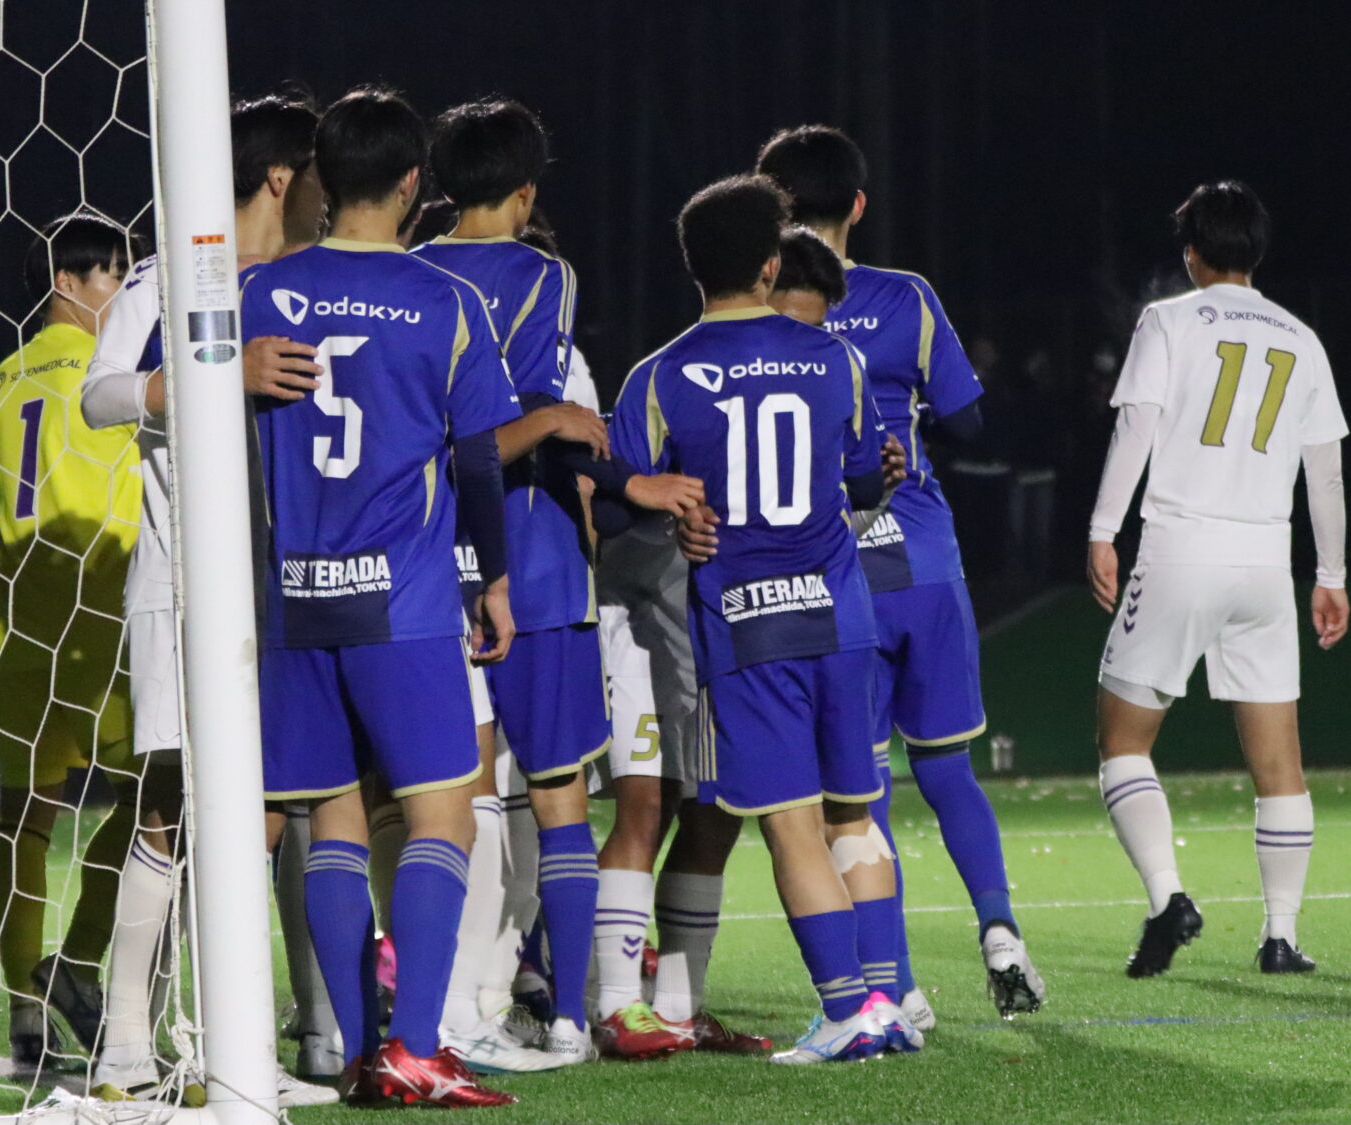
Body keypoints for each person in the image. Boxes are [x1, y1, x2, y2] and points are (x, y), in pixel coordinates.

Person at [240, 87, 526, 1108]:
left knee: (333, 822)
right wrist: (492, 578)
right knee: (444, 817)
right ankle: (413, 1048)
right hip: (400, 604)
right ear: (412, 183)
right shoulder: (444, 301)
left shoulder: (261, 293)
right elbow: (478, 459)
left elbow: (165, 388)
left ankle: (362, 1053)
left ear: (322, 174)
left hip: (292, 599)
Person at [413, 98, 704, 1065]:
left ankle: (456, 1006)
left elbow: (437, 431)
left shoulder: (408, 275)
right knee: (559, 795)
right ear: (527, 191)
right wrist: (597, 459)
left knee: (450, 802)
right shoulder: (547, 276)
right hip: (534, 564)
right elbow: (527, 412)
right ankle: (568, 1015)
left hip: (424, 566)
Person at [612, 175, 920, 1065]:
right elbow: (862, 480)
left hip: (748, 626)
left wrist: (661, 505)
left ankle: (845, 1011)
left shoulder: (660, 374)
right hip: (842, 617)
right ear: (771, 264)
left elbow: (622, 496)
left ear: (692, 267)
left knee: (789, 823)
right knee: (852, 816)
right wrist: (873, 477)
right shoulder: (836, 358)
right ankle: (883, 999)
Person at [77, 96, 336, 1107]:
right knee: (170, 806)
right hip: (184, 584)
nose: (328, 195)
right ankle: (125, 1051)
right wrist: (213, 369)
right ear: (281, 177)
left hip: (293, 587)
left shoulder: (314, 283)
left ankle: (293, 1037)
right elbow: (100, 393)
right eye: (318, 176)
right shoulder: (167, 279)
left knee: (294, 803)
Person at [755, 124, 1043, 1019]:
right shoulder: (905, 297)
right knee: (950, 765)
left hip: (834, 570)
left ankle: (899, 983)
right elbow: (967, 419)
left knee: (859, 786)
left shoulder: (756, 314)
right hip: (921, 555)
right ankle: (1000, 929)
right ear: (858, 205)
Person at [1085, 180, 1350, 978]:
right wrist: (1331, 573)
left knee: (1123, 740)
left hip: (1181, 548)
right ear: (1256, 251)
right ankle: (1281, 936)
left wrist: (1103, 529)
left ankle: (1169, 896)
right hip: (1266, 562)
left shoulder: (1167, 320)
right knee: (1280, 762)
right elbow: (1325, 472)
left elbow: (1137, 425)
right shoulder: (1302, 337)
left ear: (1192, 252)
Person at [0, 213, 143, 1074]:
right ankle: (77, 965)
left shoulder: (1, 379)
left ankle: (24, 1009)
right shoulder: (109, 375)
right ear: (67, 282)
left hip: (21, 626)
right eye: (112, 275)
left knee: (25, 817)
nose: (121, 292)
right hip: (100, 621)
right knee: (160, 805)